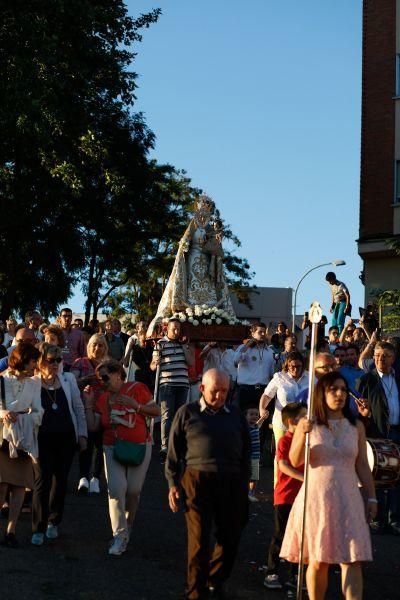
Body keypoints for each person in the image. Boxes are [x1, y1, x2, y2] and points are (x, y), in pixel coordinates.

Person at [280, 372, 376, 600]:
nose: (340, 394)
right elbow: (294, 460)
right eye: (333, 389)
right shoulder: (308, 423)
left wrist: (371, 497)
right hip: (316, 499)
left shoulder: (356, 426)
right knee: (318, 559)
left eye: (343, 389)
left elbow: (362, 464)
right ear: (321, 394)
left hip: (348, 497)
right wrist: (302, 435)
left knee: (352, 559)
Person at [166, 369, 250, 600]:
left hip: (231, 480)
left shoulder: (235, 414)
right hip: (197, 480)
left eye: (225, 391)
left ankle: (216, 577)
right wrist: (173, 483)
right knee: (199, 541)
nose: (220, 396)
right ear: (202, 389)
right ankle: (194, 591)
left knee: (231, 536)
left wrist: (245, 484)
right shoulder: (187, 413)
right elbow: (174, 454)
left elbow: (245, 451)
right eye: (215, 391)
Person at [84, 359, 160, 556]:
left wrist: (137, 406)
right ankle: (120, 536)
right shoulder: (103, 398)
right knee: (116, 490)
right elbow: (93, 427)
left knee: (133, 491)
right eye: (99, 379)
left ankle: (126, 527)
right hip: (112, 447)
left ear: (118, 373)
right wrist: (89, 404)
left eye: (105, 377)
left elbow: (157, 411)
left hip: (140, 446)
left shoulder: (137, 388)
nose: (102, 381)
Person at [31, 343, 87, 545]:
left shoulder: (68, 379)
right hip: (41, 439)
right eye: (50, 360)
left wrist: (82, 435)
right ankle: (38, 526)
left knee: (60, 481)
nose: (54, 364)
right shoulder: (32, 383)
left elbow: (78, 408)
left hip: (65, 438)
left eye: (58, 360)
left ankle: (53, 522)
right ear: (40, 362)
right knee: (41, 482)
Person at [0, 343, 42, 547]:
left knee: (18, 486)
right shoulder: (1, 380)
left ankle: (11, 531)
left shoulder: (35, 384)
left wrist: (27, 419)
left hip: (23, 438)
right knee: (2, 485)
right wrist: (3, 414)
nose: (36, 365)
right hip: (2, 438)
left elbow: (39, 411)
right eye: (33, 360)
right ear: (23, 359)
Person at [264, 402, 307, 591]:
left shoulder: (308, 442)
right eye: (303, 417)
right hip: (285, 496)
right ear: (292, 422)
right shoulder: (285, 440)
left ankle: (295, 574)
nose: (308, 421)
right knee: (280, 535)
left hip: (302, 497)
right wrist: (306, 478)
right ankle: (272, 571)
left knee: (300, 537)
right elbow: (283, 465)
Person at [358, 341, 400, 534]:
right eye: (376, 355)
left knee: (396, 476)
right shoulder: (366, 380)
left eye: (385, 356)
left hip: (397, 432)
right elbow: (358, 410)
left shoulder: (398, 378)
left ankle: (394, 518)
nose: (380, 359)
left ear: (393, 358)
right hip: (376, 433)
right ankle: (377, 517)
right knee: (377, 475)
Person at [150, 318, 192, 462]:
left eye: (178, 329)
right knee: (167, 416)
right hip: (167, 383)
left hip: (182, 383)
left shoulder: (184, 344)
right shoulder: (160, 344)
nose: (176, 331)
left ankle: (178, 447)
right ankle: (164, 447)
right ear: (167, 329)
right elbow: (152, 366)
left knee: (180, 416)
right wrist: (156, 362)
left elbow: (191, 362)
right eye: (174, 328)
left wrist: (185, 346)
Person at [72, 333, 109, 494]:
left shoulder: (110, 365)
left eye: (100, 345)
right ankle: (83, 478)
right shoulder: (80, 363)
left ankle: (95, 478)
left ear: (105, 348)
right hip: (84, 408)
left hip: (104, 409)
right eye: (94, 344)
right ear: (88, 347)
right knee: (85, 443)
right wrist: (87, 379)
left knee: (100, 446)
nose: (97, 348)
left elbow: (117, 385)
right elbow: (72, 384)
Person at [259, 352, 308, 450]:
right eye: (292, 366)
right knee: (281, 453)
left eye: (298, 366)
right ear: (287, 365)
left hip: (303, 423)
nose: (295, 369)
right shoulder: (279, 377)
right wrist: (262, 408)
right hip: (282, 423)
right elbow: (267, 395)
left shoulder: (310, 377)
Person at [234, 323, 274, 412]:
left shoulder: (270, 352)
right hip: (246, 390)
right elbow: (235, 361)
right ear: (253, 334)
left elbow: (272, 374)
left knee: (263, 420)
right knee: (243, 421)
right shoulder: (244, 348)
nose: (263, 334)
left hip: (264, 391)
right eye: (260, 332)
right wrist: (247, 345)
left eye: (264, 332)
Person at [58, 307, 87, 371]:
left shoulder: (79, 334)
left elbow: (83, 354)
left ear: (71, 318)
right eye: (64, 316)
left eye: (69, 316)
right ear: (60, 318)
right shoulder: (55, 333)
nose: (67, 318)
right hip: (57, 367)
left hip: (74, 368)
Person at [246, 407, 260, 502]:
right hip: (247, 457)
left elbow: (259, 423)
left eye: (256, 414)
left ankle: (251, 493)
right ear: (245, 416)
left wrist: (262, 418)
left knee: (255, 477)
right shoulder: (245, 428)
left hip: (256, 457)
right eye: (251, 414)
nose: (254, 416)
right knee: (247, 476)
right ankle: (246, 493)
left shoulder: (255, 426)